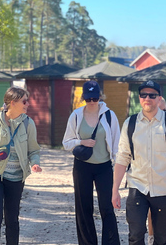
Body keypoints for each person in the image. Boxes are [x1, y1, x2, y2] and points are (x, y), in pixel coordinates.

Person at [112, 80, 166, 245]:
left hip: (165, 189)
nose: (147, 98)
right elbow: (122, 158)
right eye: (143, 95)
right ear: (139, 98)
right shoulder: (130, 124)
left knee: (161, 239)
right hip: (137, 188)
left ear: (159, 98)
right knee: (135, 235)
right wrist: (115, 190)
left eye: (152, 95)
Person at [0, 86, 42, 245]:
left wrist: (35, 163)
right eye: (24, 101)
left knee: (12, 220)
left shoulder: (28, 124)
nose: (27, 104)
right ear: (13, 103)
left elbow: (34, 150)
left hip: (16, 177)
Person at [63, 80, 121, 245]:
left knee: (107, 208)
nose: (92, 102)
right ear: (83, 98)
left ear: (100, 97)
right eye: (88, 99)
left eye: (95, 98)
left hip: (104, 167)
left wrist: (119, 170)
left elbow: (117, 146)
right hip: (82, 166)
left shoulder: (109, 115)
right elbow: (66, 143)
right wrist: (81, 142)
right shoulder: (76, 115)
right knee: (83, 208)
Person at [147, 97, 166, 245]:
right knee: (150, 207)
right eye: (159, 111)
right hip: (151, 172)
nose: (162, 114)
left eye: (165, 110)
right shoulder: (145, 127)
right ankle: (151, 237)